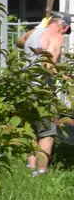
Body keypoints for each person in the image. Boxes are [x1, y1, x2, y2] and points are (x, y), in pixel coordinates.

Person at [21, 12, 68, 174]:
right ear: (65, 27)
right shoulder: (56, 36)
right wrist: (65, 76)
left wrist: (38, 28)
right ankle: (40, 173)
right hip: (40, 89)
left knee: (34, 129)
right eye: (65, 31)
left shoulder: (33, 32)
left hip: (24, 88)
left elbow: (20, 42)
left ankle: (30, 168)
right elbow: (49, 66)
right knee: (48, 133)